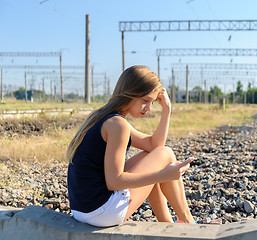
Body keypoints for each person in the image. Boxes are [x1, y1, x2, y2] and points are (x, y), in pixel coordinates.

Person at [66, 65, 196, 227]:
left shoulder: (107, 118)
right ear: (130, 94)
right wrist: (164, 175)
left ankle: (170, 225)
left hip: (82, 209)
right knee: (166, 154)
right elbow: (114, 182)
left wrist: (167, 110)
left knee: (158, 156)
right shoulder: (117, 125)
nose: (148, 108)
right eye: (145, 101)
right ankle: (189, 223)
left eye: (152, 103)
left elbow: (153, 145)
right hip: (100, 211)